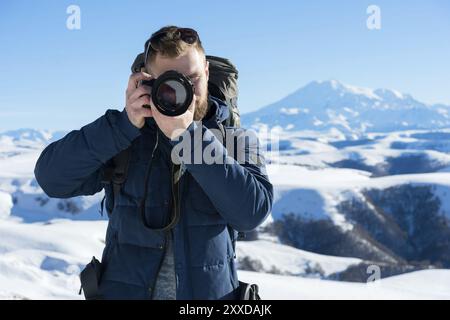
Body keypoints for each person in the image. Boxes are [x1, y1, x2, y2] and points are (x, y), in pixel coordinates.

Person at [34, 25, 273, 300]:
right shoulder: (124, 139)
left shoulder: (236, 140)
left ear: (206, 72)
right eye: (170, 83)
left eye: (192, 79)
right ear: (148, 83)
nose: (186, 93)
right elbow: (52, 179)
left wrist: (190, 139)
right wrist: (122, 126)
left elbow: (252, 213)